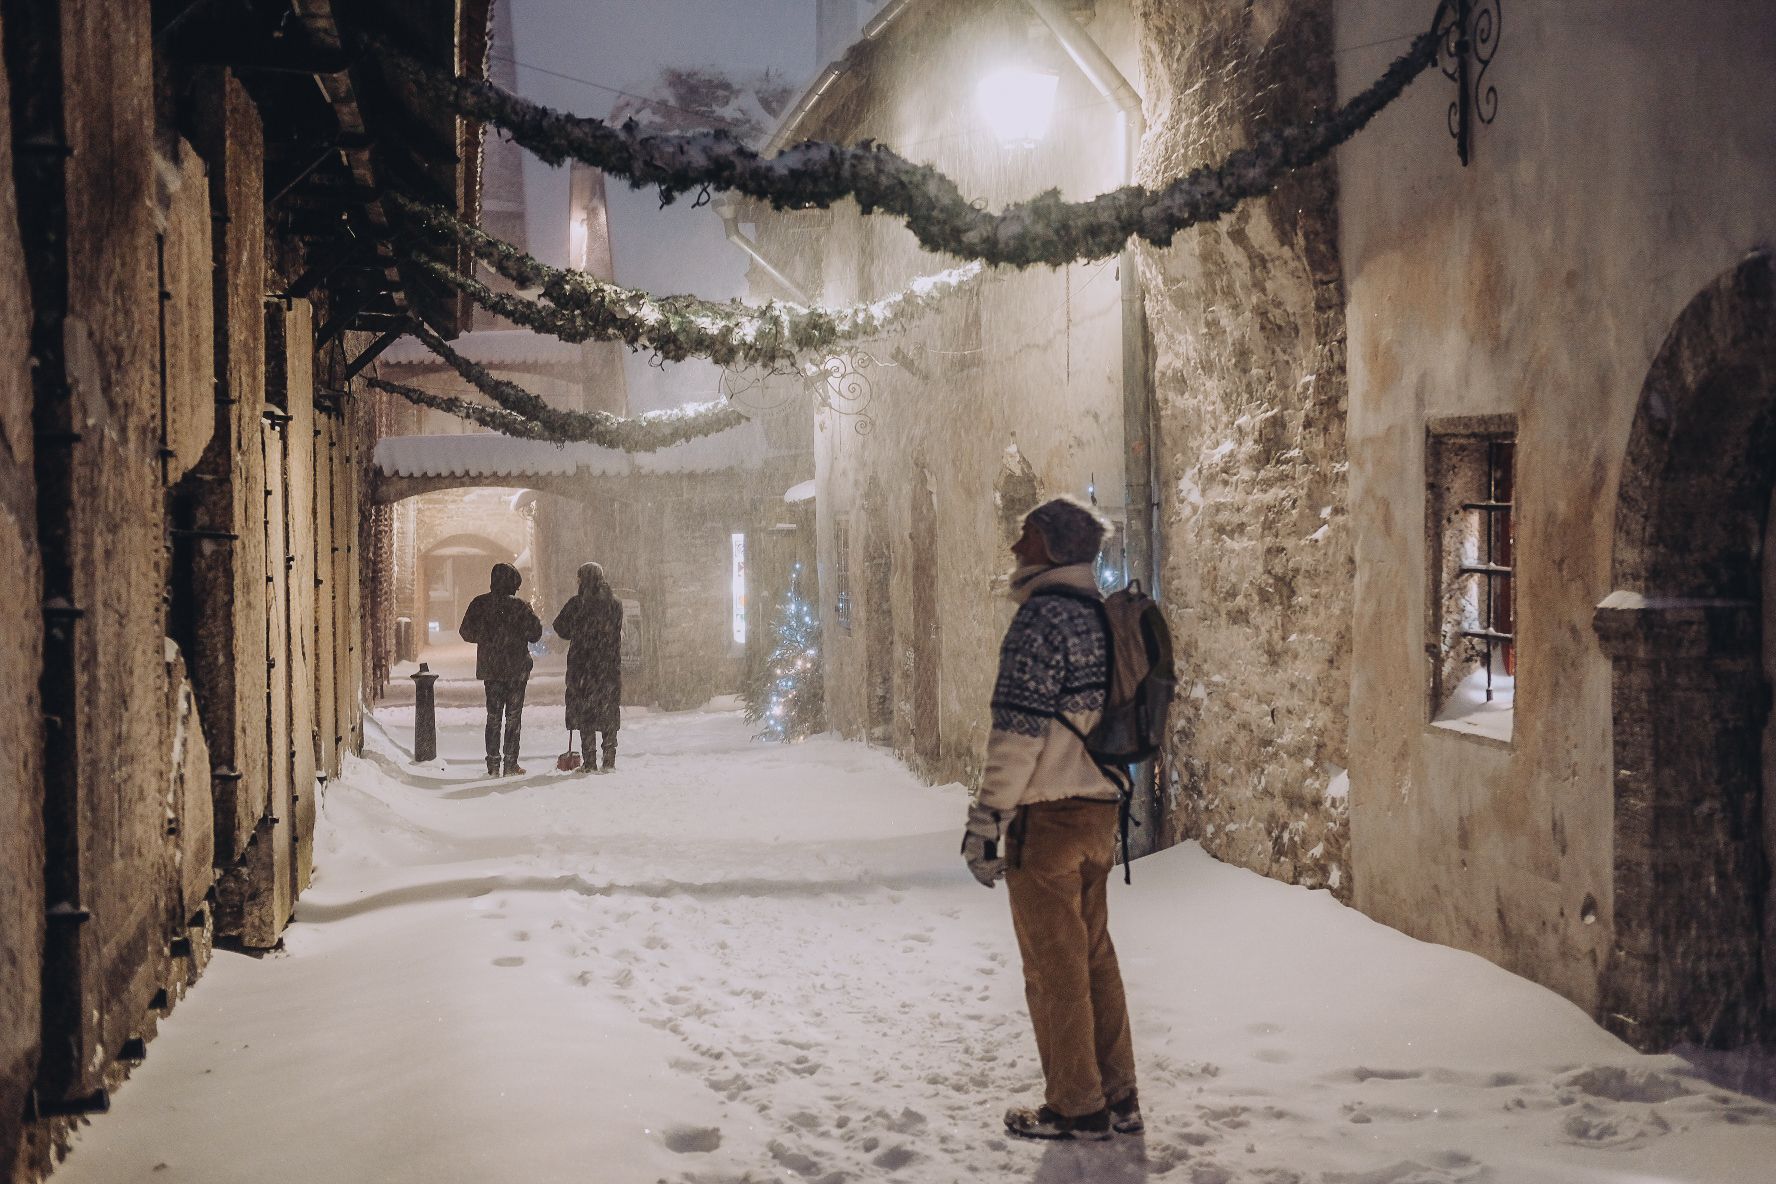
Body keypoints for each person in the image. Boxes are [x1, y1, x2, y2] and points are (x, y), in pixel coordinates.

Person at [961, 496, 1140, 1142]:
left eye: (1025, 537)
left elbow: (1016, 735)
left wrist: (987, 820)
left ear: (1050, 547)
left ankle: (1076, 1105)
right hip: (1101, 815)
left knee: (1054, 967)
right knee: (1095, 960)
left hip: (1050, 820)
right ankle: (1119, 1095)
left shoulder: (1042, 622)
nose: (1015, 549)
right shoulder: (1102, 614)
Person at [457, 562, 542, 777]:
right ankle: (511, 763)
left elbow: (465, 632)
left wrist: (487, 639)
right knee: (513, 717)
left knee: (493, 716)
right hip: (516, 668)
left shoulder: (480, 604)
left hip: (492, 668)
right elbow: (535, 634)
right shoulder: (520, 607)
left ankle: (493, 763)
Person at [551, 561, 625, 771]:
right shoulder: (615, 604)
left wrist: (579, 630)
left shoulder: (577, 604)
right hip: (608, 666)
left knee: (586, 713)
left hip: (583, 667)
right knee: (609, 710)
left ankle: (590, 761)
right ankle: (609, 759)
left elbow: (560, 628)